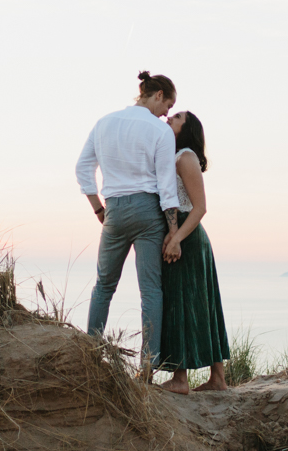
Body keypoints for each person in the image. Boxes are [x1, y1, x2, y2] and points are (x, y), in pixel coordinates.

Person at [76, 71, 181, 377]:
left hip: (115, 211)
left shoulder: (104, 122)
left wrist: (99, 210)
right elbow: (166, 186)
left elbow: (82, 167)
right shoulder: (160, 132)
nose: (167, 114)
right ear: (158, 94)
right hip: (149, 210)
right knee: (151, 291)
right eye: (168, 105)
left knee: (103, 286)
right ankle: (147, 368)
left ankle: (91, 355)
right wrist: (173, 231)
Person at [157, 110, 232, 394]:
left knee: (185, 302)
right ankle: (218, 379)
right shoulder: (175, 157)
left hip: (188, 237)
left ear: (187, 129)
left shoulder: (185, 157)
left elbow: (199, 207)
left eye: (175, 117)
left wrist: (176, 239)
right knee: (201, 302)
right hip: (182, 236)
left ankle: (181, 379)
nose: (169, 119)